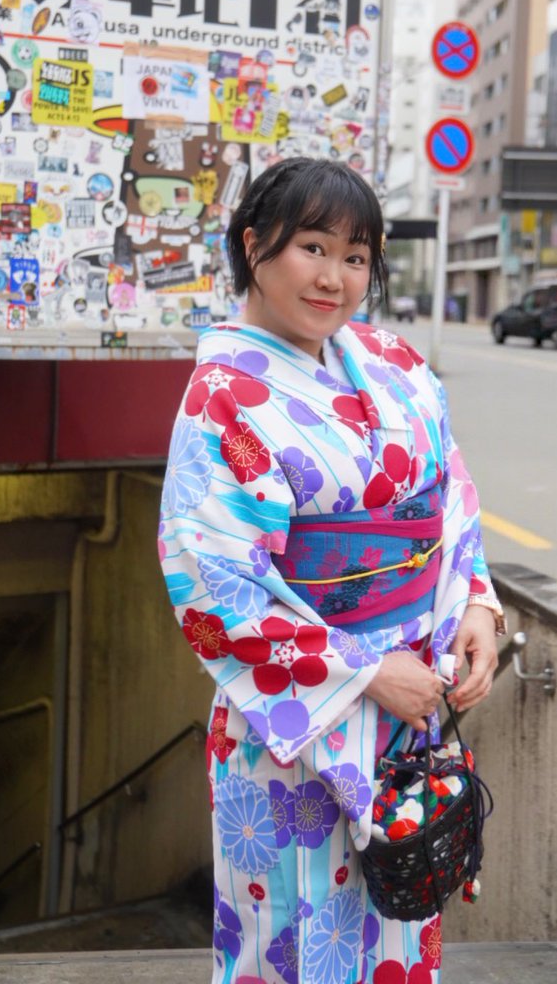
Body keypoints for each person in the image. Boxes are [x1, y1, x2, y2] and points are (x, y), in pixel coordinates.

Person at [157, 158, 503, 984]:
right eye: (312, 247)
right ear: (254, 245)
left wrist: (476, 608)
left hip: (409, 702)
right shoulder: (223, 396)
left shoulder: (391, 360)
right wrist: (363, 671)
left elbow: (447, 495)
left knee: (398, 922)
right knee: (291, 937)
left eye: (356, 257)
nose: (334, 277)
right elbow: (212, 585)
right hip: (298, 718)